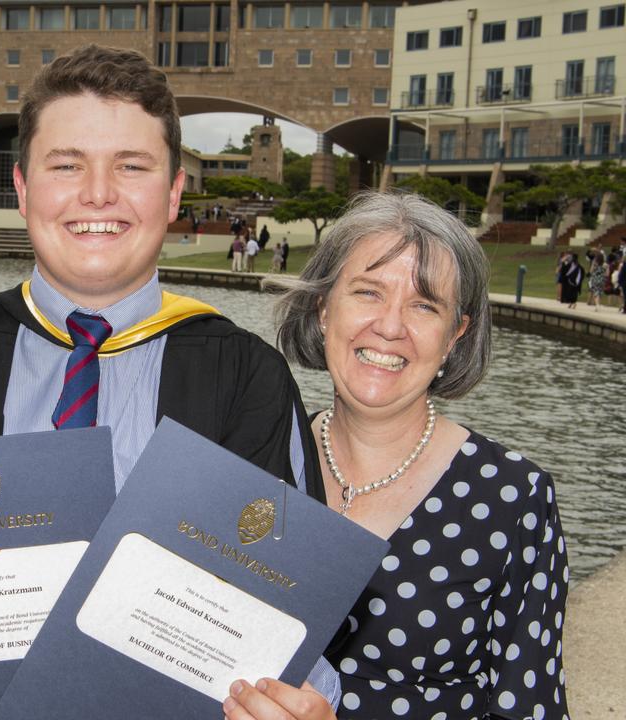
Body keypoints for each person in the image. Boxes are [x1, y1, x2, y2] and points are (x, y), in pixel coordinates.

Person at [0, 45, 333, 719]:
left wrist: (298, 697)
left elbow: (294, 606)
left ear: (173, 194)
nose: (97, 193)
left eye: (131, 167)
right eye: (66, 165)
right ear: (22, 189)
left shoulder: (245, 378)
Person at [233, 192, 569, 719]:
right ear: (323, 308)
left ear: (456, 335)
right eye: (367, 292)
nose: (390, 326)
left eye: (424, 304)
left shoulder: (512, 498)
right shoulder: (257, 462)